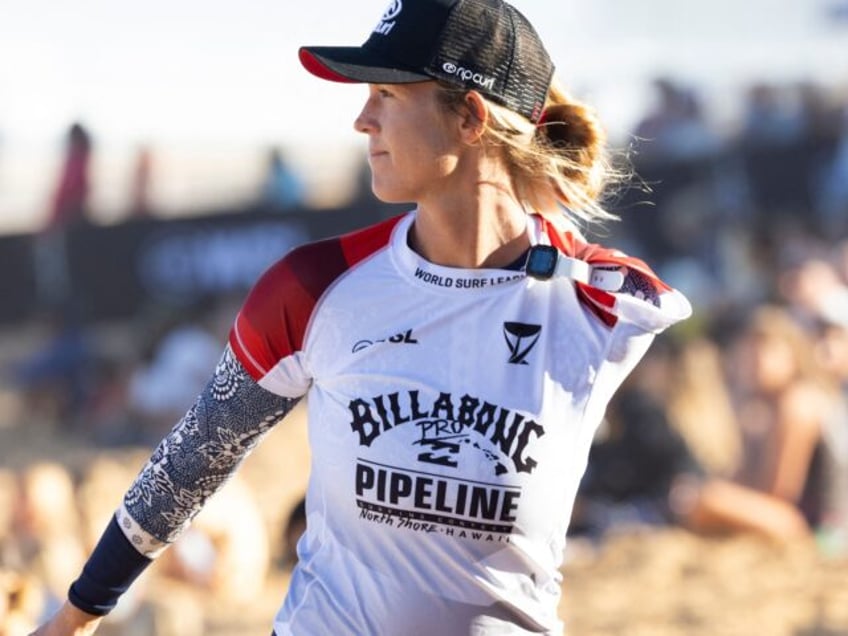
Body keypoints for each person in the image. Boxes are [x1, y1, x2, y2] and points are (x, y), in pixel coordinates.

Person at [31, 1, 691, 634]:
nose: (361, 120)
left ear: (471, 118)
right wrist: (75, 616)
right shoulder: (313, 288)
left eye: (388, 94)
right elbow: (195, 458)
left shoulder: (610, 303)